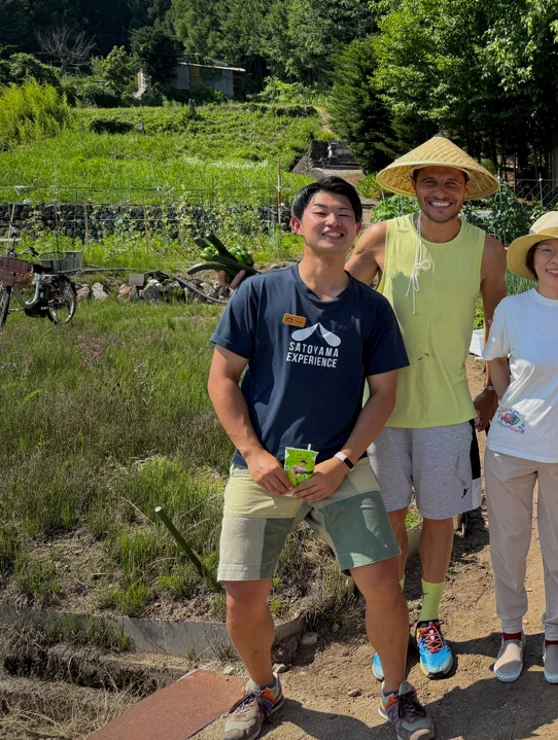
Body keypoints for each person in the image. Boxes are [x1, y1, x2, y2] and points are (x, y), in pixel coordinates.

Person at [207, 177, 433, 740]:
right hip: (264, 466)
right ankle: (263, 689)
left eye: (344, 215)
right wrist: (254, 453)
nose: (333, 221)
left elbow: (384, 394)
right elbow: (222, 379)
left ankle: (397, 692)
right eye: (321, 212)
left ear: (357, 229)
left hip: (341, 465)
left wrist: (343, 460)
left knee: (382, 580)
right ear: (297, 224)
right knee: (243, 592)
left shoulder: (372, 310)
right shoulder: (257, 295)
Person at [346, 135, 507, 682]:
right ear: (413, 187)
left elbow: (498, 326)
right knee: (389, 518)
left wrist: (491, 389)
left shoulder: (486, 248)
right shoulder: (381, 238)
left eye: (452, 182)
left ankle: (430, 621)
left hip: (447, 410)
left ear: (466, 191)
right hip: (383, 412)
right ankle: (389, 621)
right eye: (430, 181)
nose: (441, 191)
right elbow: (341, 309)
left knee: (441, 519)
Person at [481, 212, 558, 685]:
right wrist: (505, 403)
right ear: (532, 259)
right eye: (547, 250)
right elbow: (494, 358)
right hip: (511, 444)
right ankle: (511, 634)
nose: (557, 259)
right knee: (509, 544)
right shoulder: (513, 309)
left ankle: (556, 634)